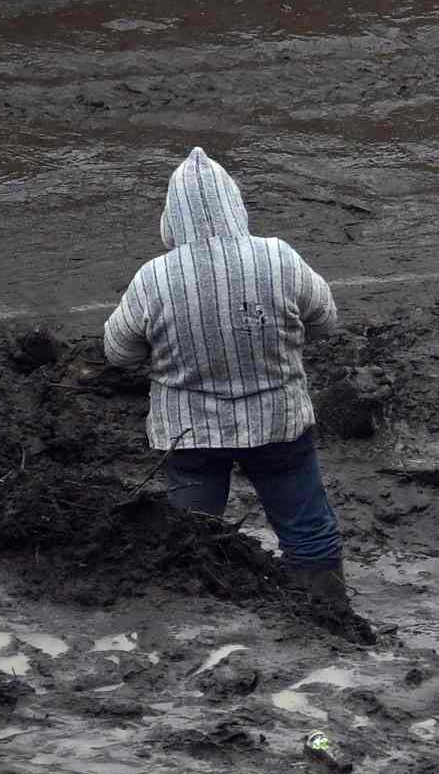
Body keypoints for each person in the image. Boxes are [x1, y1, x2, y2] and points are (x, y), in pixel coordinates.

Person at [103, 150, 353, 623]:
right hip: (279, 423)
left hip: (191, 433)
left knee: (191, 532)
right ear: (235, 205)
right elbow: (325, 319)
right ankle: (332, 620)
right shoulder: (279, 257)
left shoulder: (154, 277)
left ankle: (196, 622)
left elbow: (118, 351)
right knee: (307, 531)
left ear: (171, 216)